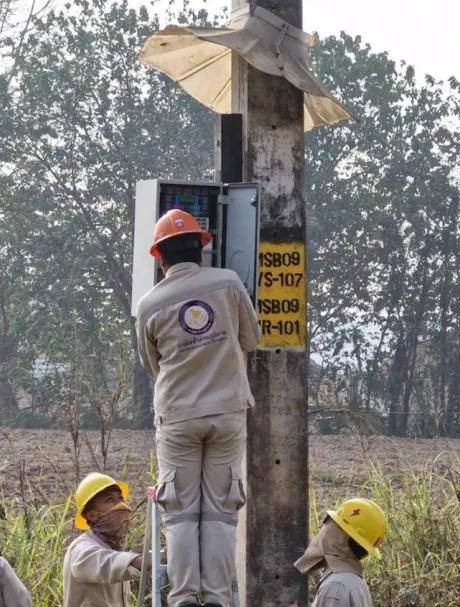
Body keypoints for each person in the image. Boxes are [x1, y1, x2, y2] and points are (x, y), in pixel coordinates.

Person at [135, 209, 261, 607]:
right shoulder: (227, 282)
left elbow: (152, 365)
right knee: (222, 512)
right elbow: (252, 338)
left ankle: (186, 596)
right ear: (201, 248)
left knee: (181, 513)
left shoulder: (150, 304)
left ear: (160, 258)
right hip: (227, 413)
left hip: (177, 417)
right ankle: (220, 598)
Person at [61, 472, 144, 606]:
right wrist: (145, 561)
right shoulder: (81, 549)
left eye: (121, 498)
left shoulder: (111, 548)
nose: (122, 505)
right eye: (110, 500)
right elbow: (108, 564)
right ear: (92, 515)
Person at [294, 498, 386, 607]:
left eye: (331, 523)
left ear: (340, 537)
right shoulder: (352, 579)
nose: (324, 529)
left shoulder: (336, 586)